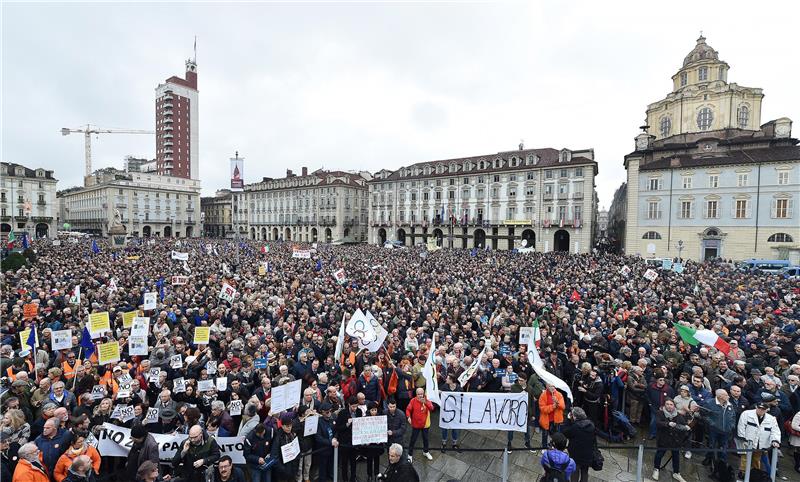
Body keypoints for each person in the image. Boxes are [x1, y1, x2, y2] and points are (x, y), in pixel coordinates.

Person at [736, 401, 781, 475]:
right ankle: (743, 474)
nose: (761, 410)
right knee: (745, 458)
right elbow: (741, 427)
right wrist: (742, 438)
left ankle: (755, 474)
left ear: (767, 410)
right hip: (747, 442)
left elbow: (775, 431)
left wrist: (775, 440)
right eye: (759, 408)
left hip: (761, 444)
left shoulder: (771, 419)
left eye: (763, 409)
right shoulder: (746, 414)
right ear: (756, 407)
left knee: (756, 460)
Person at [651, 399, 690, 482]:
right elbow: (658, 423)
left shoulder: (678, 415)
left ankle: (676, 472)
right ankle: (656, 469)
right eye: (667, 404)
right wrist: (667, 424)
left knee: (676, 456)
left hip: (675, 440)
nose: (669, 406)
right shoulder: (660, 413)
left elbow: (683, 423)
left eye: (671, 404)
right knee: (659, 454)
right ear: (664, 405)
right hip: (663, 438)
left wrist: (687, 426)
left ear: (674, 406)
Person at [561, 407, 596, 482]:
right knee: (585, 472)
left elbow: (564, 431)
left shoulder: (576, 427)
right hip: (588, 454)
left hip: (576, 455)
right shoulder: (591, 425)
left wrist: (567, 420)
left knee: (575, 472)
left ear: (575, 417)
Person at [405, 388, 434, 462]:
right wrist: (408, 417)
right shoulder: (413, 401)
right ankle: (410, 454)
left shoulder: (427, 399)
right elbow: (408, 409)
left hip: (425, 424)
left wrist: (426, 402)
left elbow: (432, 408)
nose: (420, 396)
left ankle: (426, 452)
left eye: (422, 394)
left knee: (426, 439)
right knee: (413, 439)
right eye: (419, 394)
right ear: (416, 394)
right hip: (416, 424)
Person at [270, 414, 299, 482]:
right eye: (287, 426)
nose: (289, 428)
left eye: (291, 426)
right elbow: (274, 456)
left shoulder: (292, 434)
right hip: (283, 471)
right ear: (282, 426)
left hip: (292, 467)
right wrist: (283, 469)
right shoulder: (278, 437)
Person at [539, 382, 566, 449]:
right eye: (550, 386)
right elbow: (542, 409)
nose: (552, 388)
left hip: (556, 420)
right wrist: (552, 407)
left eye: (553, 386)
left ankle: (554, 446)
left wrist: (557, 402)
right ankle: (544, 447)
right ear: (547, 387)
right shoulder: (543, 395)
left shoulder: (559, 394)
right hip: (546, 420)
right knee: (545, 435)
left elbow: (563, 407)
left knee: (556, 435)